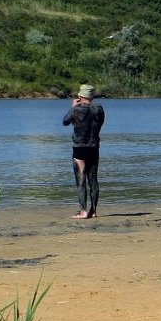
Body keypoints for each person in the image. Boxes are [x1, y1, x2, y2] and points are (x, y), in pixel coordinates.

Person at [62, 84, 104, 219]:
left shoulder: (76, 110)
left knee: (81, 179)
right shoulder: (99, 109)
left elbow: (65, 121)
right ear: (91, 96)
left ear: (80, 96)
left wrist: (73, 107)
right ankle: (94, 211)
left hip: (80, 147)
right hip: (94, 147)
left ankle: (83, 211)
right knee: (93, 180)